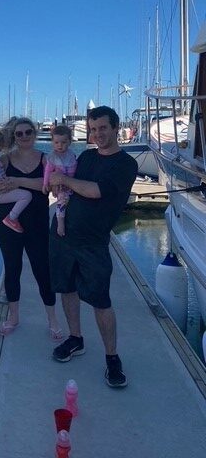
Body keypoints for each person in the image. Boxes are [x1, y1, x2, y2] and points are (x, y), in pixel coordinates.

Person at [46, 106, 138, 388]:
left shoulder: (125, 164)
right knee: (67, 288)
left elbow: (95, 190)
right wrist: (55, 185)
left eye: (103, 128)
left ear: (115, 128)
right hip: (63, 236)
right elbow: (64, 185)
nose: (97, 134)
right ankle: (76, 339)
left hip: (93, 242)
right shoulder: (85, 156)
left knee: (100, 300)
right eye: (93, 129)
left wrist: (64, 180)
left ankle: (112, 358)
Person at [0, 117, 63, 340]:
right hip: (7, 222)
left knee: (42, 270)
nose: (24, 137)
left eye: (28, 132)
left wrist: (17, 181)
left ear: (35, 133)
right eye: (19, 134)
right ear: (13, 136)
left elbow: (46, 186)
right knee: (12, 268)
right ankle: (13, 317)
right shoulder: (3, 159)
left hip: (37, 222)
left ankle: (53, 319)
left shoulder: (44, 159)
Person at [42, 124, 77, 237]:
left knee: (72, 201)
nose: (60, 145)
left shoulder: (71, 155)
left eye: (63, 142)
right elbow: (47, 171)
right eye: (56, 143)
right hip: (61, 186)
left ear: (69, 142)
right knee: (61, 200)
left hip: (73, 183)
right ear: (52, 142)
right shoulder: (53, 157)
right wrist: (45, 184)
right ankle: (60, 223)